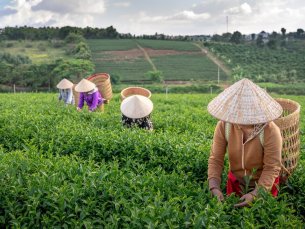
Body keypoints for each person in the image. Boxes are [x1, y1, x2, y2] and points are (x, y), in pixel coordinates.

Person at [207, 78, 283, 207]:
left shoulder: (270, 131)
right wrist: (214, 187)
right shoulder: (224, 126)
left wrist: (256, 193)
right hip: (236, 181)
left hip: (265, 183)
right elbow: (216, 159)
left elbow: (272, 167)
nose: (242, 121)